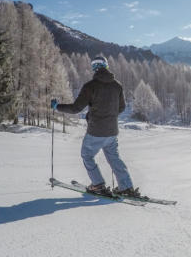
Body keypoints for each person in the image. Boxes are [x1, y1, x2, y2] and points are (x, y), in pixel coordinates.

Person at [51, 56, 140, 198]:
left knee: (87, 155)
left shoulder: (90, 86)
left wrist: (57, 107)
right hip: (112, 131)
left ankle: (98, 184)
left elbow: (75, 108)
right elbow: (121, 107)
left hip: (96, 131)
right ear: (106, 66)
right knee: (114, 158)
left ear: (94, 68)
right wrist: (108, 116)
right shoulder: (117, 85)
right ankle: (126, 187)